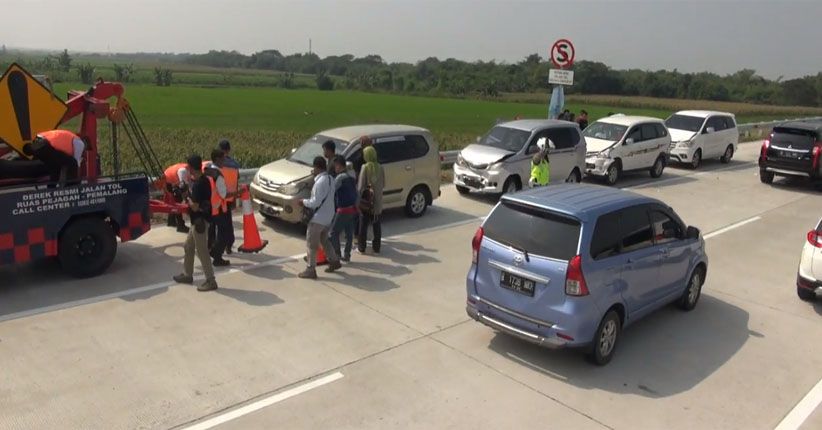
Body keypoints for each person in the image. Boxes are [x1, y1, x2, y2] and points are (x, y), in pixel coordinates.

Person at [173, 155, 218, 292]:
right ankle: (187, 274)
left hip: (200, 222)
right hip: (197, 221)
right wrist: (187, 191)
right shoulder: (201, 180)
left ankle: (211, 281)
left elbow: (194, 206)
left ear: (192, 168)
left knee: (202, 251)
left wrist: (185, 196)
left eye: (188, 167)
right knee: (188, 246)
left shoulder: (199, 184)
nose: (187, 169)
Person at [296, 156, 342, 279]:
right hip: (328, 217)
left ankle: (310, 269)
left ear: (316, 167)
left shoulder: (319, 182)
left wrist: (303, 202)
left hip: (318, 218)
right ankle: (334, 261)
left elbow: (315, 202)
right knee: (324, 240)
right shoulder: (331, 179)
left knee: (311, 244)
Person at [204, 150, 230, 267]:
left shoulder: (207, 170)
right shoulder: (218, 175)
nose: (224, 161)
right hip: (217, 208)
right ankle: (216, 255)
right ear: (218, 159)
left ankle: (213, 250)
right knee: (225, 234)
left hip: (208, 208)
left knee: (213, 232)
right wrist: (238, 193)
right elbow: (223, 194)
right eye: (223, 159)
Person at [330, 155, 358, 262]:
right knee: (349, 234)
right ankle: (347, 254)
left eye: (335, 166)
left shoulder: (340, 178)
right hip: (352, 209)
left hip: (343, 210)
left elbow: (332, 190)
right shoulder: (351, 176)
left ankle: (337, 254)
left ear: (338, 165)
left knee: (333, 233)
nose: (334, 168)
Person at [357, 146, 384, 254]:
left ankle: (362, 247)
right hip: (377, 201)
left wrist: (359, 198)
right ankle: (376, 247)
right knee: (376, 224)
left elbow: (360, 186)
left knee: (363, 225)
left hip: (367, 202)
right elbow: (384, 184)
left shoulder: (365, 167)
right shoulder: (380, 167)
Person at [217, 140, 240, 254]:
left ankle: (218, 247)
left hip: (219, 198)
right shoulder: (235, 165)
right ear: (229, 150)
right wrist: (235, 198)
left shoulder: (218, 164)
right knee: (228, 221)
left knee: (219, 224)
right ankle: (229, 245)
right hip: (230, 198)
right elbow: (236, 182)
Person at [163, 162, 192, 233]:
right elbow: (183, 187)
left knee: (174, 201)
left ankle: (171, 221)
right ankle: (181, 226)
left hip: (170, 180)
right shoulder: (183, 171)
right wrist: (187, 200)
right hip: (167, 181)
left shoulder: (186, 169)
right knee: (177, 202)